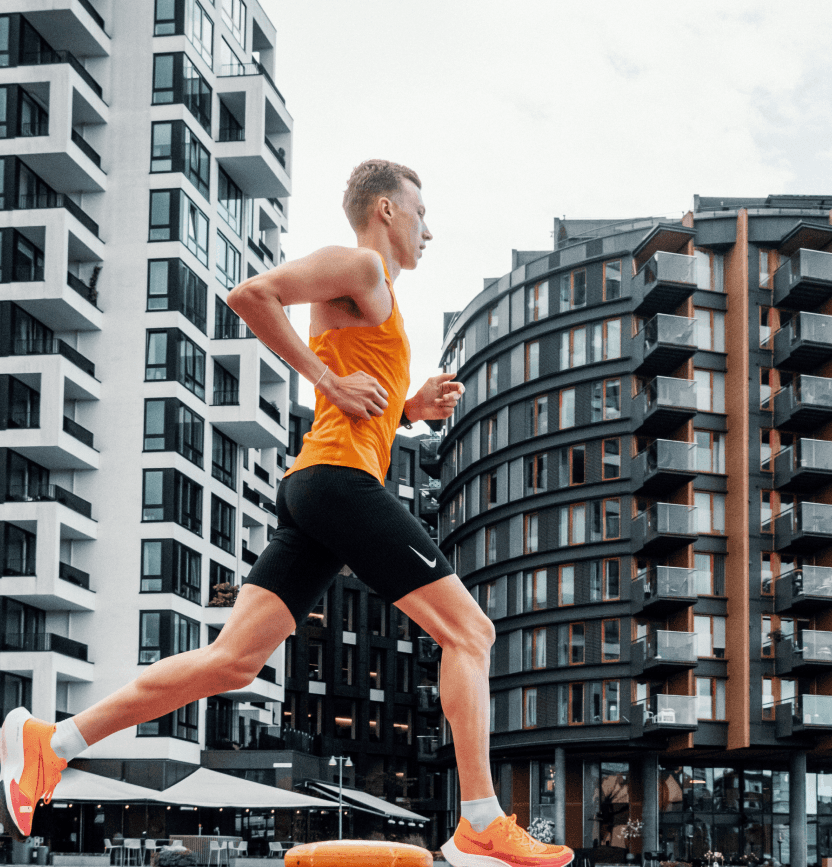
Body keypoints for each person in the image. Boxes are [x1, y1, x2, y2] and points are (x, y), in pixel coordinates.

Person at [0, 160, 573, 867]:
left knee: (232, 660)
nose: (431, 229)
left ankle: (50, 744)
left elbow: (355, 401)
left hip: (320, 485)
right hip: (335, 484)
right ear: (387, 210)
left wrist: (406, 407)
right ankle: (480, 822)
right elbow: (251, 295)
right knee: (471, 631)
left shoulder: (375, 292)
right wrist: (326, 378)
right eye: (422, 212)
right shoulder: (361, 263)